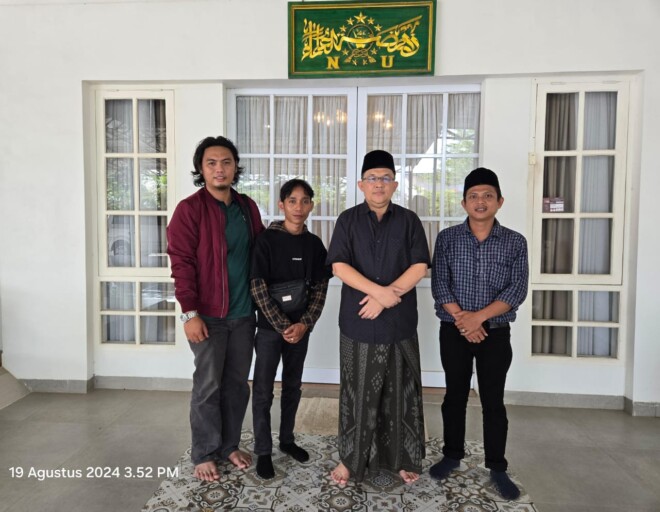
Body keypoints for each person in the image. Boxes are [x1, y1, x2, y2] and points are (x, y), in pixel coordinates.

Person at [326, 150, 430, 486]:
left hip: (399, 323)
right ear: (361, 184)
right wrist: (379, 293)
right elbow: (339, 265)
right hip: (359, 322)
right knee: (357, 394)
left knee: (399, 394)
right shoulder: (347, 220)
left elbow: (419, 265)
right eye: (372, 178)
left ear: (395, 184)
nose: (379, 184)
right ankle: (350, 459)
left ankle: (401, 459)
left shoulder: (409, 220)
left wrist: (387, 297)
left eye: (386, 178)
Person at [166, 135, 264, 482]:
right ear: (201, 168)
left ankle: (229, 446)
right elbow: (181, 263)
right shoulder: (189, 210)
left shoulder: (247, 207)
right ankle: (205, 452)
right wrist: (189, 313)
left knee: (236, 385)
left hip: (243, 314)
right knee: (208, 386)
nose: (219, 169)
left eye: (226, 162)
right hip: (207, 316)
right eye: (211, 163)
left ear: (235, 167)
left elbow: (259, 253)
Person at [430, 167, 529, 500]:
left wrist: (478, 319)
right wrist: (464, 321)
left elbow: (516, 289)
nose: (480, 201)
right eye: (473, 196)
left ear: (500, 201)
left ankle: (497, 467)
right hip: (453, 331)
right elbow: (440, 284)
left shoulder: (515, 242)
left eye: (488, 195)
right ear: (463, 203)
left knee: (493, 401)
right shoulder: (447, 239)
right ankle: (452, 455)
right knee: (454, 396)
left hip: (495, 333)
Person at [249, 178, 332, 480]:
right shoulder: (266, 241)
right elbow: (257, 287)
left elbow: (321, 288)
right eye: (292, 201)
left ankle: (287, 440)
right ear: (282, 205)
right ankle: (263, 450)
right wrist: (285, 326)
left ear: (311, 205)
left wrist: (304, 324)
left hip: (301, 330)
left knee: (293, 386)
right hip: (270, 330)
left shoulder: (314, 245)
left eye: (305, 201)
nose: (299, 207)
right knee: (263, 389)